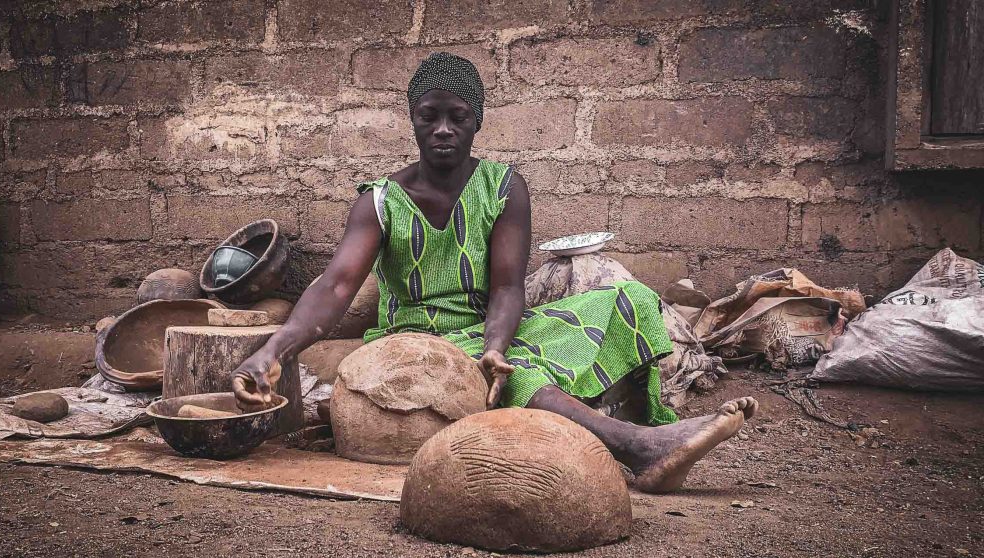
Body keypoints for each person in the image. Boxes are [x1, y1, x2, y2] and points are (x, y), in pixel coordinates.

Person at [231, 52, 757, 493]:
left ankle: (610, 412)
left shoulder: (504, 188)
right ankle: (636, 448)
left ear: (476, 120)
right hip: (416, 343)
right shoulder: (380, 201)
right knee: (524, 377)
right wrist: (276, 349)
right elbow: (336, 285)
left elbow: (508, 287)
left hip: (492, 328)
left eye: (457, 117)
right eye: (428, 116)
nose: (442, 130)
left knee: (626, 300)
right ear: (412, 118)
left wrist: (496, 346)